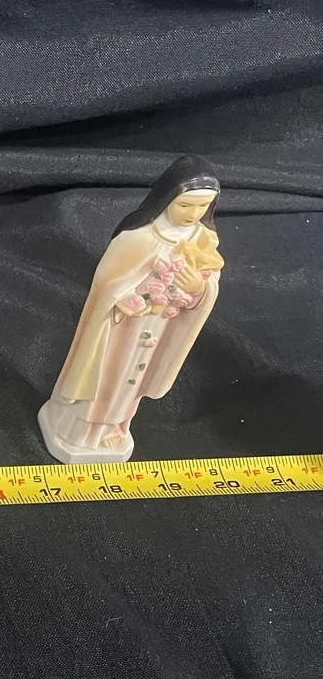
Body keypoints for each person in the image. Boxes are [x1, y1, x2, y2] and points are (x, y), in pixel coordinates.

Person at [38, 155, 223, 463]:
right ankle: (79, 429)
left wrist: (198, 289)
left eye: (203, 206)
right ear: (167, 199)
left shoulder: (204, 239)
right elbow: (107, 282)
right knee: (106, 373)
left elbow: (209, 281)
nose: (193, 214)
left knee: (132, 380)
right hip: (120, 327)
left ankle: (115, 426)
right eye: (184, 205)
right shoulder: (139, 237)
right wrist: (123, 299)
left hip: (159, 327)